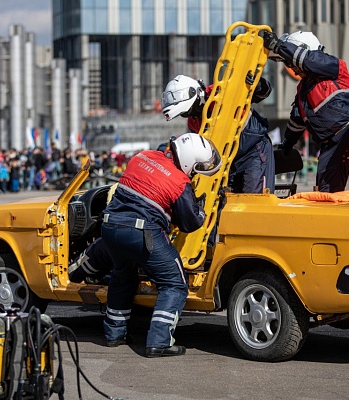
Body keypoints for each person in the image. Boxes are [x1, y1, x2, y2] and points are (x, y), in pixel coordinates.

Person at [101, 132, 221, 357]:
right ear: (187, 162)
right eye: (195, 169)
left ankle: (114, 334)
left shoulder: (142, 156)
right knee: (174, 283)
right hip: (141, 231)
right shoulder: (179, 181)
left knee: (122, 276)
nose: (194, 174)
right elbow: (190, 222)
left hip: (110, 227)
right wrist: (201, 208)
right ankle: (159, 341)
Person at [261, 30, 349, 194]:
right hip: (331, 145)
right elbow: (296, 122)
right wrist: (287, 144)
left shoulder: (333, 67)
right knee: (325, 193)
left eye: (290, 62)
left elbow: (309, 60)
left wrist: (278, 46)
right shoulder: (302, 92)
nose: (290, 67)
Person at [161, 73, 275, 194]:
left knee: (255, 199)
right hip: (229, 161)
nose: (188, 116)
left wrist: (256, 85)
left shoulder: (221, 92)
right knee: (230, 204)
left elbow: (264, 92)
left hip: (253, 151)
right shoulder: (194, 122)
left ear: (196, 97)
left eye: (187, 111)